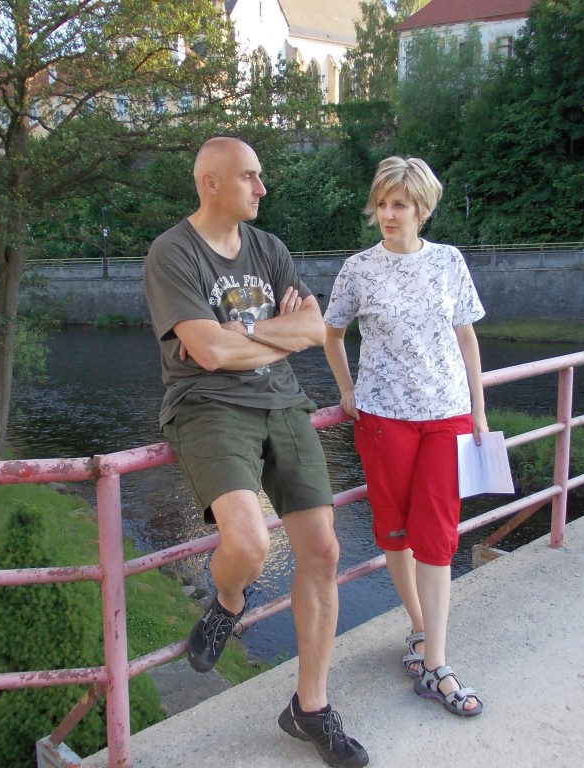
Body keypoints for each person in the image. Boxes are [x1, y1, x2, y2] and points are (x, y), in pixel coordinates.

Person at [143, 136, 369, 767]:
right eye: (249, 176)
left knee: (323, 550)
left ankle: (310, 708)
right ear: (211, 182)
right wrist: (268, 336)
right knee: (247, 544)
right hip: (207, 407)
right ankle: (228, 603)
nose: (262, 188)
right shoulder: (173, 252)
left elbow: (313, 328)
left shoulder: (269, 248)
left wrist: (241, 333)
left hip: (283, 403)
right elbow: (208, 355)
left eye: (260, 176)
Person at [323, 156, 487, 718]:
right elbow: (332, 333)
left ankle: (437, 663)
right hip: (383, 418)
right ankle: (419, 628)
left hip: (446, 415)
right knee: (395, 532)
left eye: (400, 204)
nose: (388, 214)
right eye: (382, 204)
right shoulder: (358, 269)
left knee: (437, 536)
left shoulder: (448, 261)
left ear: (422, 208)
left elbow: (467, 339)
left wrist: (479, 411)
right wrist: (347, 390)